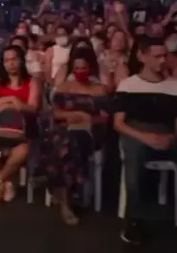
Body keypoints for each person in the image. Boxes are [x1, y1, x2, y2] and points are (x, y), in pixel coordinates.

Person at [114, 36, 177, 252]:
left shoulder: (176, 87)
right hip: (137, 134)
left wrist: (173, 138)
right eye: (157, 56)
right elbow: (119, 124)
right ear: (142, 56)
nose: (162, 60)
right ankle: (135, 220)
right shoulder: (128, 85)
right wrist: (145, 137)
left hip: (168, 135)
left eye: (164, 56)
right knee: (133, 158)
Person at [40, 47, 109, 225]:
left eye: (83, 68)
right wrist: (75, 115)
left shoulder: (100, 90)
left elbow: (105, 118)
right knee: (64, 140)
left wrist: (88, 119)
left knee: (69, 143)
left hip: (90, 132)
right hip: (66, 128)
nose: (80, 71)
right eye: (77, 68)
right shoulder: (64, 88)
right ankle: (66, 199)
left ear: (91, 68)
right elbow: (55, 113)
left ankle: (54, 186)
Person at [0, 45, 40, 205]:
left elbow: (33, 108)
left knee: (23, 150)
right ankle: (8, 179)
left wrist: (9, 103)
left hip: (23, 130)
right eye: (7, 60)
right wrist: (13, 100)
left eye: (14, 59)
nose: (11, 63)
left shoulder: (32, 82)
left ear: (21, 60)